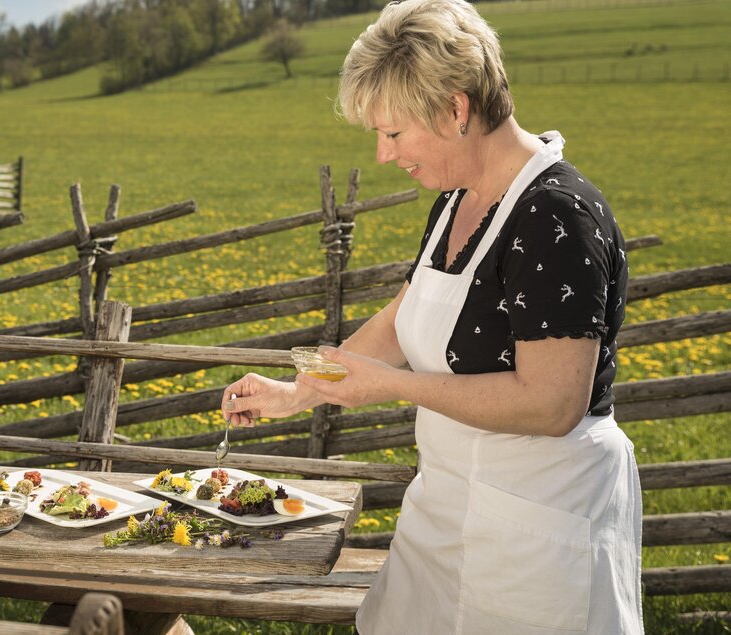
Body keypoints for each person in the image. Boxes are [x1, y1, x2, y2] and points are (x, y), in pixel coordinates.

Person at [220, 0, 643, 633]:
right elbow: (403, 317)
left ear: (456, 109)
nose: (386, 155)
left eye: (393, 133)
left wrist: (390, 387)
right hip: (445, 511)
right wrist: (298, 389)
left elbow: (554, 404)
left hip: (539, 524)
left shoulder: (556, 217)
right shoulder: (457, 198)